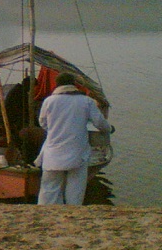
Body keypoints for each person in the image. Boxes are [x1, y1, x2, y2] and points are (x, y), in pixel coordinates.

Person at [34, 72, 111, 205]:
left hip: (53, 153)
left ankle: (47, 214)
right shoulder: (86, 101)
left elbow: (43, 123)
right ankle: (72, 215)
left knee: (49, 189)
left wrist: (54, 130)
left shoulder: (49, 101)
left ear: (57, 85)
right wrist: (108, 129)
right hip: (78, 153)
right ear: (74, 85)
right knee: (75, 189)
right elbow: (100, 123)